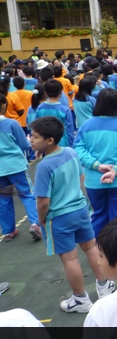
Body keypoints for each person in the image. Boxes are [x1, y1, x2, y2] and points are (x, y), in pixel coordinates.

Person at [31, 117, 114, 312]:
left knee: (70, 259)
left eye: (35, 137)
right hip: (80, 209)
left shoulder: (43, 166)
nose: (31, 140)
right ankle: (104, 286)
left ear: (49, 140)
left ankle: (80, 299)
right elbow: (81, 178)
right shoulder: (70, 152)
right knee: (91, 247)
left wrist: (41, 220)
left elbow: (43, 201)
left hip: (60, 216)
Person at [73, 89, 117, 237]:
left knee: (97, 215)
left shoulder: (86, 125)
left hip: (94, 180)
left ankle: (99, 248)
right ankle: (116, 247)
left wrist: (97, 165)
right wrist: (115, 170)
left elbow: (78, 149)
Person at [0, 94, 40, 242]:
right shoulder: (12, 124)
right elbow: (23, 144)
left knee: (3, 199)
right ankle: (35, 223)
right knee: (27, 194)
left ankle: (8, 231)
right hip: (15, 165)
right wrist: (31, 144)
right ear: (4, 106)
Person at [35, 80, 74, 147]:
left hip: (44, 144)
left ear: (45, 93)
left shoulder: (40, 108)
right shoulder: (65, 110)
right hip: (61, 145)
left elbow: (36, 127)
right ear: (61, 92)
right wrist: (70, 146)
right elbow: (69, 131)